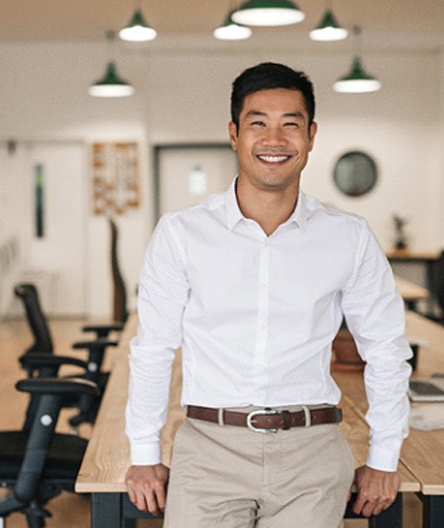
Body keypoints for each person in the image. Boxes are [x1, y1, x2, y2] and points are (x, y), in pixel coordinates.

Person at [125, 62, 411, 528]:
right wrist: (143, 451)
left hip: (312, 451)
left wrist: (384, 457)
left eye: (290, 124)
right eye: (259, 123)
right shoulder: (181, 233)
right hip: (209, 446)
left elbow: (385, 349)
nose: (275, 140)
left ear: (311, 135)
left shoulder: (349, 237)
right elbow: (153, 348)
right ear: (234, 133)